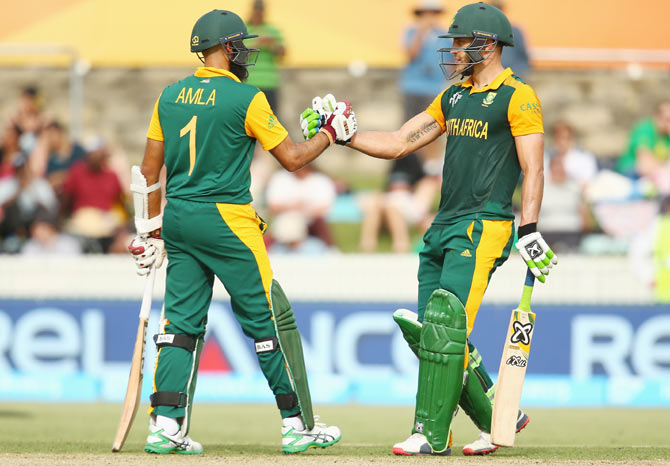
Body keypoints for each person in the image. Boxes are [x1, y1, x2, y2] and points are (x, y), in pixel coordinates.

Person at [301, 2, 557, 456]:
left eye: (461, 42)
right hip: (443, 224)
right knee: (430, 334)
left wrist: (530, 227)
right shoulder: (453, 96)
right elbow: (402, 141)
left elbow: (532, 167)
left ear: (489, 44)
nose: (454, 50)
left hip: (484, 224)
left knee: (443, 329)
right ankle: (498, 413)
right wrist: (345, 134)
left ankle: (430, 433)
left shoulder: (519, 95)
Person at [127, 9, 355, 455]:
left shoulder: (169, 95)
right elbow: (292, 158)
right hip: (228, 220)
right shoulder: (248, 98)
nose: (245, 51)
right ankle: (298, 425)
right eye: (240, 44)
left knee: (179, 326)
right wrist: (331, 133)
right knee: (267, 320)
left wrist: (149, 232)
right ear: (227, 47)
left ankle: (166, 426)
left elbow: (149, 172)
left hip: (178, 218)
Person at [359, 153, 440, 253]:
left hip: (403, 205)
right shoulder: (402, 164)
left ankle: (401, 246)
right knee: (375, 203)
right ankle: (368, 245)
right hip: (392, 200)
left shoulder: (423, 181)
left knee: (390, 207)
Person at [541, 121, 598, 251]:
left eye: (566, 138)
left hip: (574, 209)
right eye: (559, 137)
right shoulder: (543, 158)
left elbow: (587, 189)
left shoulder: (584, 158)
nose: (562, 142)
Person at [265, 164, 337, 249]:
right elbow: (273, 206)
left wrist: (304, 210)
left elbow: (324, 208)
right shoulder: (280, 178)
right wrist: (294, 209)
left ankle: (330, 250)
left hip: (312, 221)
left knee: (319, 224)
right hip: (286, 219)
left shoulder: (321, 180)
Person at [616, 100, 670, 195]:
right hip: (630, 174)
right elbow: (645, 165)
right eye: (668, 119)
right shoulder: (646, 129)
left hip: (655, 176)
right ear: (658, 116)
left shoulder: (666, 136)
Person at [245, 0, 285, 114]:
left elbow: (282, 54)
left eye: (260, 10)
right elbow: (238, 55)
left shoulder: (273, 31)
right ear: (252, 11)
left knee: (271, 117)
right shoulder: (244, 30)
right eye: (256, 10)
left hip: (270, 83)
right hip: (250, 82)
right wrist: (257, 44)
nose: (258, 13)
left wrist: (272, 44)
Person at [488, 0, 530, 79]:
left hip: (511, 76)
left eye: (499, 10)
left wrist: (517, 73)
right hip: (488, 78)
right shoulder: (482, 32)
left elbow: (523, 56)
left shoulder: (514, 31)